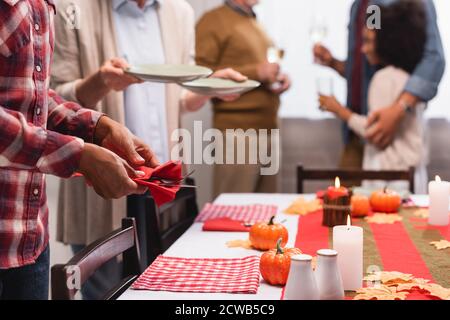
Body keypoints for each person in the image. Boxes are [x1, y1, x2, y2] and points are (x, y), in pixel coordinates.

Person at [51, 0, 246, 299]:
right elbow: (52, 98)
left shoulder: (179, 12)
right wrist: (101, 81)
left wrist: (212, 86)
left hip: (160, 179)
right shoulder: (73, 9)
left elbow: (178, 96)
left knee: (162, 290)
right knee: (106, 293)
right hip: (102, 182)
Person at [0, 0, 158, 300]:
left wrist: (97, 126)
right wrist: (78, 155)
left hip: (29, 237)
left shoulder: (43, 5)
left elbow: (34, 98)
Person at [313, 0, 445, 174]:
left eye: (368, 41)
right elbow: (364, 70)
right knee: (341, 198)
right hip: (355, 135)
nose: (364, 48)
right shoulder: (357, 6)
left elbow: (433, 60)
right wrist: (333, 63)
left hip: (388, 139)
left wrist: (398, 108)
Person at [196, 0, 291, 198]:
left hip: (267, 129)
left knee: (266, 213)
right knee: (232, 213)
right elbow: (200, 75)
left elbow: (260, 71)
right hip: (237, 133)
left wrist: (276, 79)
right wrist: (257, 72)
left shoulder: (254, 22)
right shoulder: (213, 20)